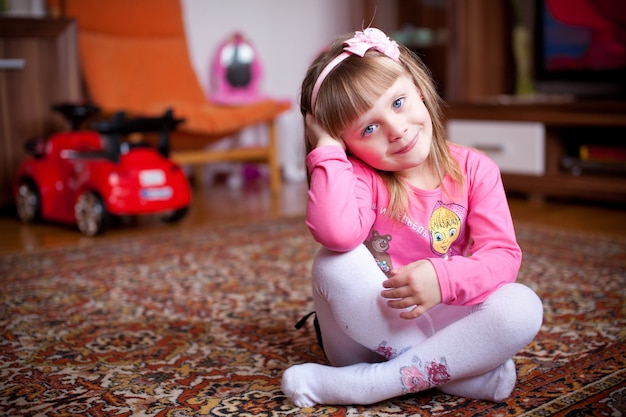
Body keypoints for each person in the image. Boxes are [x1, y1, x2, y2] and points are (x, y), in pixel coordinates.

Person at [281, 28, 544, 408]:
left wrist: (442, 279)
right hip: (364, 335)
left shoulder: (475, 169)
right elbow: (335, 233)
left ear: (419, 90)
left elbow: (502, 255)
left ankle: (375, 384)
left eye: (399, 103)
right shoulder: (361, 177)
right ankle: (454, 371)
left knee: (522, 307)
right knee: (334, 263)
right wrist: (325, 149)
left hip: (437, 315)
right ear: (347, 145)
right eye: (368, 129)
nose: (397, 129)